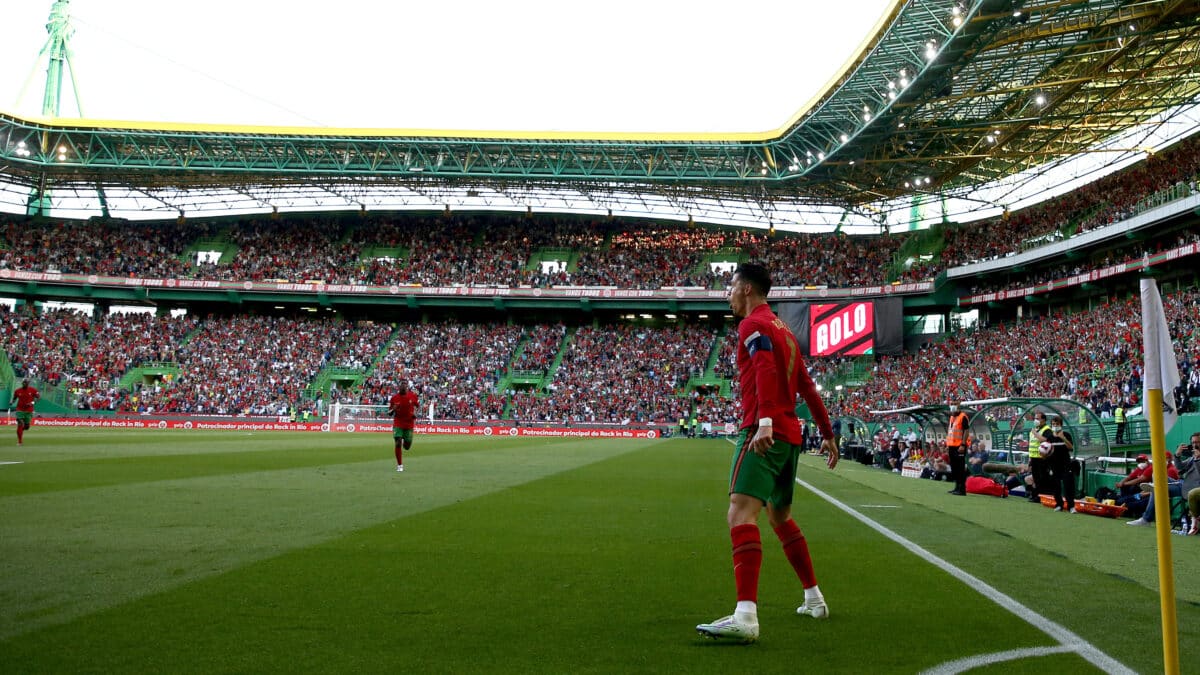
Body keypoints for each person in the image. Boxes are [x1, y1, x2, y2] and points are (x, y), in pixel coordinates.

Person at [696, 263, 838, 644]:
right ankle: (814, 598)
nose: (727, 294)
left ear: (745, 289)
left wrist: (764, 422)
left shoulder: (752, 326)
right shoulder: (785, 331)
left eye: (730, 287)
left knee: (740, 513)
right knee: (780, 515)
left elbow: (763, 370)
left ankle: (745, 615)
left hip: (766, 431)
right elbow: (807, 386)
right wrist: (826, 433)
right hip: (790, 436)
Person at [1127, 432, 1199, 527]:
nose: (1195, 445)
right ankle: (1154, 487)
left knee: (1157, 489)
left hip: (1192, 489)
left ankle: (1146, 519)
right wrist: (1177, 455)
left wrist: (1197, 459)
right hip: (1183, 484)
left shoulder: (1195, 458)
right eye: (1193, 442)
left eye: (1197, 442)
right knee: (1157, 474)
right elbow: (1179, 467)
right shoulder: (1192, 457)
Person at [1043, 415, 1076, 512]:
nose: (1055, 426)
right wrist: (1044, 455)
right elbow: (1047, 450)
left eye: (1057, 424)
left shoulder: (1066, 435)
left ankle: (1071, 506)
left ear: (1061, 425)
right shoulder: (1049, 437)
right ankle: (1059, 504)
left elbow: (1071, 448)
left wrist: (1063, 438)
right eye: (1053, 424)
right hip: (1054, 465)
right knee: (1056, 485)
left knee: (1068, 485)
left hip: (1065, 464)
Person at [387, 381, 418, 472]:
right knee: (398, 442)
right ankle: (400, 465)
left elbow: (417, 406)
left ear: (407, 387)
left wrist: (415, 413)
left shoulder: (412, 396)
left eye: (405, 385)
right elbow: (389, 413)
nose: (403, 387)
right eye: (402, 385)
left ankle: (406, 441)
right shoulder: (394, 398)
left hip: (409, 423)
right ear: (399, 387)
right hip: (398, 423)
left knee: (407, 446)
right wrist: (393, 409)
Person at [945, 403, 970, 495]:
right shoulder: (952, 417)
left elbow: (966, 431)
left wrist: (963, 445)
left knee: (960, 468)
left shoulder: (963, 417)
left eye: (953, 409)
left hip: (960, 446)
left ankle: (962, 489)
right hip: (952, 446)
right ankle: (957, 487)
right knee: (954, 467)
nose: (951, 411)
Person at [1026, 411, 1051, 502]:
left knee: (1042, 478)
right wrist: (1030, 459)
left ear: (1043, 420)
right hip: (1034, 458)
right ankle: (1036, 495)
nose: (1036, 420)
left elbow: (1047, 440)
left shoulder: (1047, 429)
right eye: (1035, 418)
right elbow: (1031, 445)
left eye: (1038, 418)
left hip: (1042, 458)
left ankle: (1041, 496)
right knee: (1036, 478)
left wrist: (1036, 434)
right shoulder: (1034, 429)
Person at [10, 379, 39, 445]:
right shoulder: (17, 391)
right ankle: (20, 441)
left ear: (28, 383)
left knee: (27, 426)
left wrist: (32, 403)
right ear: (22, 383)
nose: (25, 384)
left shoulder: (33, 390)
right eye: (24, 382)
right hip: (19, 409)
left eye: (26, 383)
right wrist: (12, 402)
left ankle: (21, 430)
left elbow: (38, 398)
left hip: (29, 410)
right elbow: (14, 398)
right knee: (20, 423)